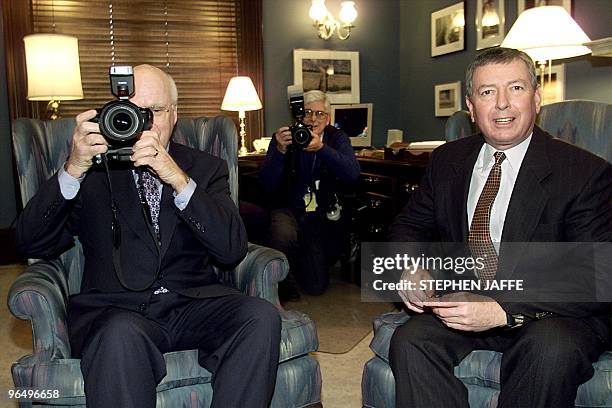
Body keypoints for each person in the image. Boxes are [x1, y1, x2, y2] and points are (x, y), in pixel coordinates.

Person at [15, 64, 281, 408]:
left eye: (153, 111)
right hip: (117, 309)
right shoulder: (91, 168)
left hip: (194, 303)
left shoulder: (204, 167)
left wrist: (178, 178)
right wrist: (73, 169)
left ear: (173, 113)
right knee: (118, 336)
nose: (143, 122)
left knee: (260, 316)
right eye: (133, 111)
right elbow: (31, 242)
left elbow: (231, 250)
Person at [387, 47, 611, 407]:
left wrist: (502, 308)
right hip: (463, 298)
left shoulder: (584, 172)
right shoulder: (448, 160)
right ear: (471, 106)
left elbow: (597, 273)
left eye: (516, 88)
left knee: (551, 349)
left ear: (536, 98)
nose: (503, 104)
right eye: (488, 91)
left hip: (550, 313)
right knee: (410, 341)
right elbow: (409, 225)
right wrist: (411, 268)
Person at [260, 90, 360, 300]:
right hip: (289, 209)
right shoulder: (285, 137)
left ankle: (298, 264)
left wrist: (322, 149)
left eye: (320, 114)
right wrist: (279, 151)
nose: (313, 119)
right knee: (282, 232)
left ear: (328, 117)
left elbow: (352, 173)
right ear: (298, 116)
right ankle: (280, 281)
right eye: (307, 113)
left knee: (316, 286)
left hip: (319, 214)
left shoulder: (336, 138)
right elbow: (267, 184)